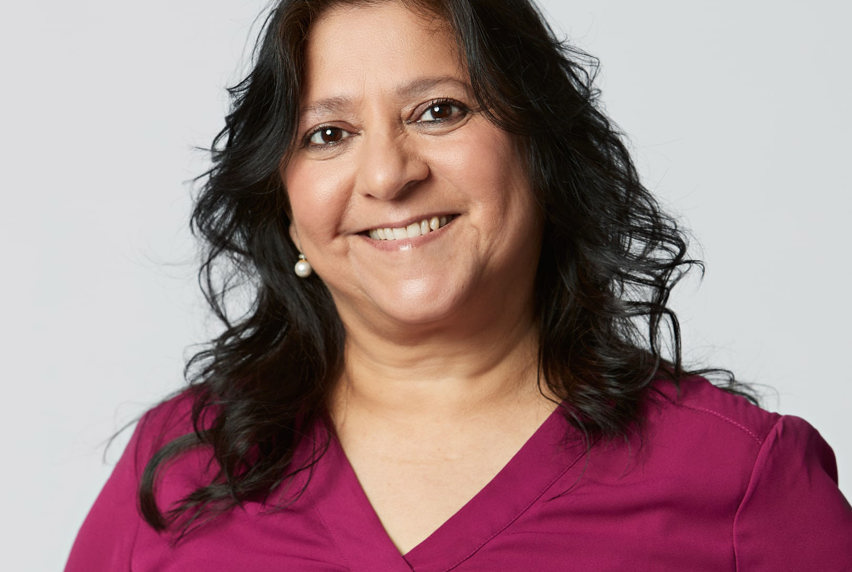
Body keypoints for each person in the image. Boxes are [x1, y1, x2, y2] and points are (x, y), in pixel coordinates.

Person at [66, 0, 851, 569]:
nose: (388, 173)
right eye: (328, 134)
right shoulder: (180, 470)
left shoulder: (744, 478)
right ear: (284, 198)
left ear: (539, 150)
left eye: (439, 111)